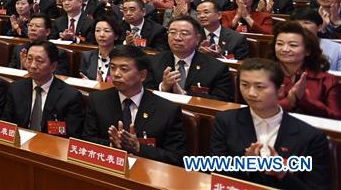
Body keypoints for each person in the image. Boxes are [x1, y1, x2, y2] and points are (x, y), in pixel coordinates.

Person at [210, 58, 334, 190]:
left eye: (260, 87)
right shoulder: (225, 121)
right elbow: (217, 175)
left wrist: (282, 174)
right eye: (244, 85)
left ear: (280, 90)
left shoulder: (311, 137)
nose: (251, 93)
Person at [82, 45, 186, 165]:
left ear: (142, 75)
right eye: (113, 67)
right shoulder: (97, 100)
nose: (116, 74)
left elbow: (176, 157)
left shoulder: (167, 110)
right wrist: (112, 145)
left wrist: (138, 147)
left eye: (124, 69)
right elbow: (86, 140)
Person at [2, 40, 84, 137]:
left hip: (52, 146)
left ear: (53, 66)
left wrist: (49, 128)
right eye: (29, 59)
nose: (32, 66)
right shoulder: (16, 88)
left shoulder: (70, 96)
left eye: (39, 61)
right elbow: (7, 122)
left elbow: (70, 131)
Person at [146, 16, 234, 101]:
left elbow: (222, 101)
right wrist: (163, 87)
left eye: (184, 34)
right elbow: (142, 93)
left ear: (197, 39)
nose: (177, 38)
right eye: (172, 32)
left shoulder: (217, 67)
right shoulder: (153, 62)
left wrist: (185, 95)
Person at [268, 20, 341, 119]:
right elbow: (252, 110)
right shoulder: (265, 75)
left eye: (293, 45)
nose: (284, 49)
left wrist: (305, 100)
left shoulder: (327, 81)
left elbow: (336, 118)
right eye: (280, 44)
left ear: (307, 51)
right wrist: (288, 102)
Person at [80, 14, 123, 82]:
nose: (101, 35)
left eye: (106, 31)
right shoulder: (87, 56)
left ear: (116, 36)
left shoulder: (122, 58)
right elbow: (82, 77)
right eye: (97, 30)